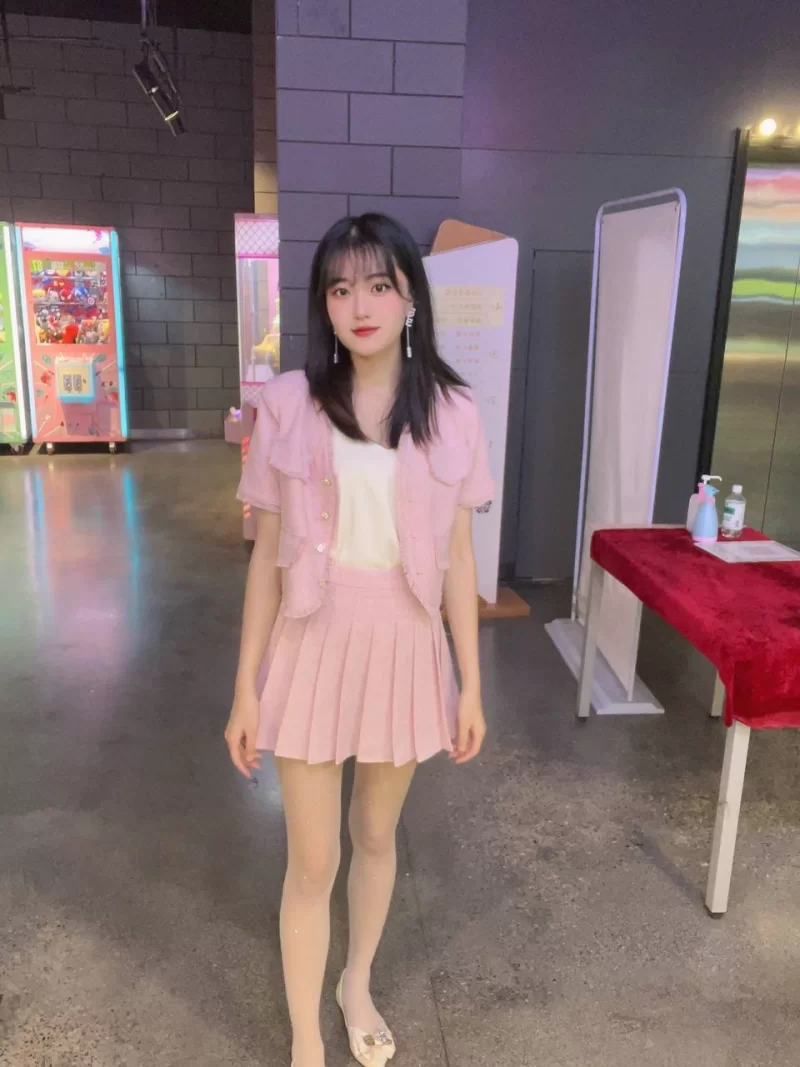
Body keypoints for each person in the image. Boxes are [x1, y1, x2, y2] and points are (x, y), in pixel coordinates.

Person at [225, 213, 494, 1067]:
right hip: (312, 637)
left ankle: (356, 982)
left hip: (406, 644)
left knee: (376, 836)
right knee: (313, 859)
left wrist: (470, 683)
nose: (360, 305)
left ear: (411, 296)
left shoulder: (453, 410)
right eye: (341, 289)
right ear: (324, 304)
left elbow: (458, 557)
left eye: (379, 284)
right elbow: (267, 556)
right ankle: (306, 1038)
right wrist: (245, 688)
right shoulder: (289, 404)